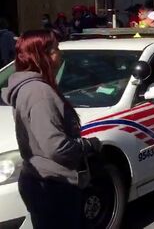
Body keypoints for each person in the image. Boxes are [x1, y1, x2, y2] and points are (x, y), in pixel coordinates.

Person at [0, 30, 102, 228]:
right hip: (53, 186)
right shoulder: (40, 93)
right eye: (55, 49)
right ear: (40, 55)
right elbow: (56, 147)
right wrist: (88, 145)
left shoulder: (30, 86)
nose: (59, 54)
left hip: (42, 180)